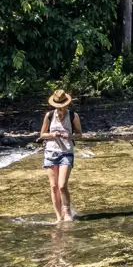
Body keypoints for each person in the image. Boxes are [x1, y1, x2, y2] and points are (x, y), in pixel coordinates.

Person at [39, 90, 82, 222]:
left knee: (62, 185)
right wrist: (52, 135)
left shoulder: (73, 116)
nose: (60, 107)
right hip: (51, 152)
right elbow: (42, 134)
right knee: (53, 186)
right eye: (57, 105)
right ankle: (58, 217)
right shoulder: (49, 115)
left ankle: (67, 212)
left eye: (62, 105)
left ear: (66, 104)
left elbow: (79, 134)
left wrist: (69, 135)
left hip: (67, 152)